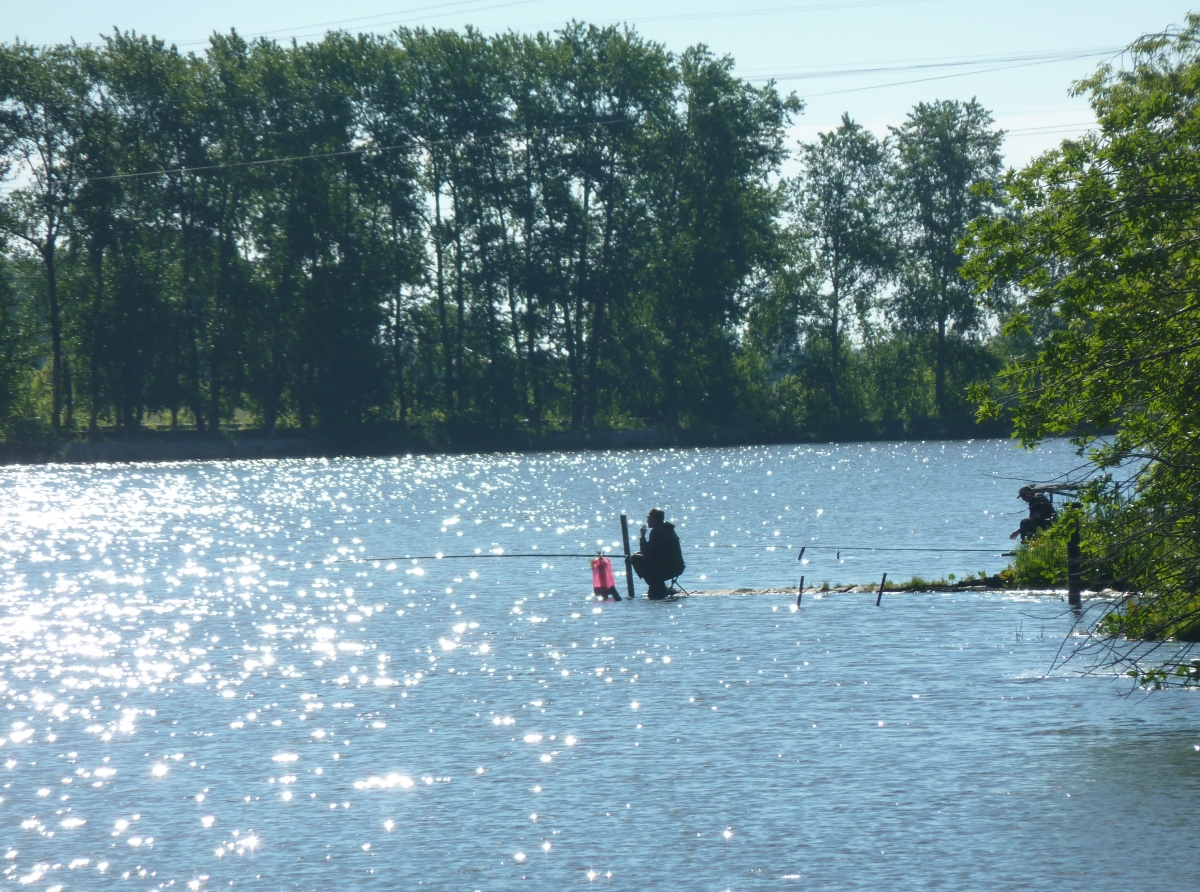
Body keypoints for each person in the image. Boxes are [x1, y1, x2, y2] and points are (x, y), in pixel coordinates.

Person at [630, 508, 685, 600]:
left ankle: (655, 586)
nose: (647, 521)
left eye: (649, 519)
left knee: (634, 558)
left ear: (654, 520)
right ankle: (658, 586)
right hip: (677, 566)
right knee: (640, 556)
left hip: (669, 568)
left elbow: (646, 552)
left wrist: (642, 536)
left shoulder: (657, 531)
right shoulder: (667, 529)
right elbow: (654, 550)